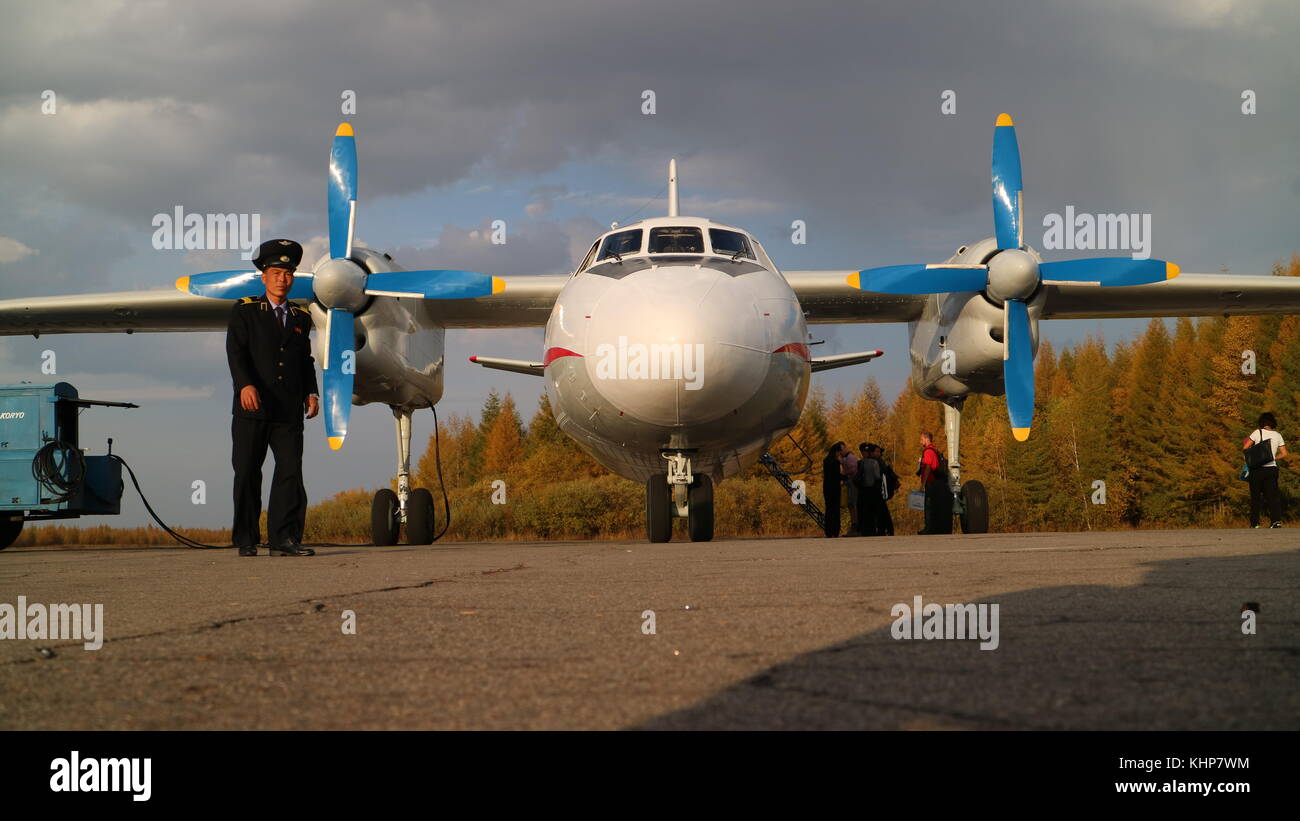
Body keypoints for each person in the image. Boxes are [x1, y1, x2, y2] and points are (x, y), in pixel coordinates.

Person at [227, 239, 320, 557]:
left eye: (288, 273)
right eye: (276, 272)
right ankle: (246, 539)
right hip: (252, 406)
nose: (283, 278)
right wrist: (244, 385)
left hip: (287, 408)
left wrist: (311, 391)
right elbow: (236, 352)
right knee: (247, 471)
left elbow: (304, 359)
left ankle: (284, 539)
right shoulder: (246, 310)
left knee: (291, 470)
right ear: (263, 276)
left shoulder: (300, 317)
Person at [1243, 412, 1287, 529]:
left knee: (1256, 497)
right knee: (1273, 497)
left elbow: (1245, 447)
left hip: (1257, 469)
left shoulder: (1258, 432)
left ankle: (1255, 523)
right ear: (1273, 422)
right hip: (1271, 469)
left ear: (1262, 422)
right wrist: (1273, 457)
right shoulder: (1278, 435)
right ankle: (1275, 521)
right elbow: (1284, 453)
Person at [916, 432, 952, 534]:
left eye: (921, 439)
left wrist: (923, 484)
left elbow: (928, 467)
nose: (920, 441)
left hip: (931, 483)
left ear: (927, 439)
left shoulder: (928, 451)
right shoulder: (935, 450)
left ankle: (928, 529)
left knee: (929, 506)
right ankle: (934, 528)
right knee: (935, 506)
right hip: (937, 483)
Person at [855, 442, 881, 536]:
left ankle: (863, 529)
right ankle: (872, 529)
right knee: (872, 511)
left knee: (862, 510)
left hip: (862, 490)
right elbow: (877, 476)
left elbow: (856, 477)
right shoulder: (875, 462)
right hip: (872, 490)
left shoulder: (860, 463)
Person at [822, 442, 846, 537]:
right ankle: (835, 531)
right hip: (835, 487)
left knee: (828, 509)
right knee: (835, 509)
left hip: (827, 487)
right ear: (836, 452)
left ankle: (828, 531)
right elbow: (837, 475)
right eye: (839, 452)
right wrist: (846, 477)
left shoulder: (826, 460)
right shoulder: (835, 462)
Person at [872, 445, 896, 536]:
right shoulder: (880, 462)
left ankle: (884, 529)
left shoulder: (879, 462)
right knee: (882, 510)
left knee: (881, 511)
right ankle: (886, 529)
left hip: (881, 490)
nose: (877, 453)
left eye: (878, 452)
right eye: (876, 451)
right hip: (882, 490)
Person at [843, 445, 860, 535]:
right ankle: (855, 526)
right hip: (850, 484)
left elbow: (853, 469)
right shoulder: (850, 457)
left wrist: (844, 473)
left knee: (853, 504)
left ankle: (855, 526)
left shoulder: (850, 458)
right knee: (851, 505)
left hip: (852, 484)